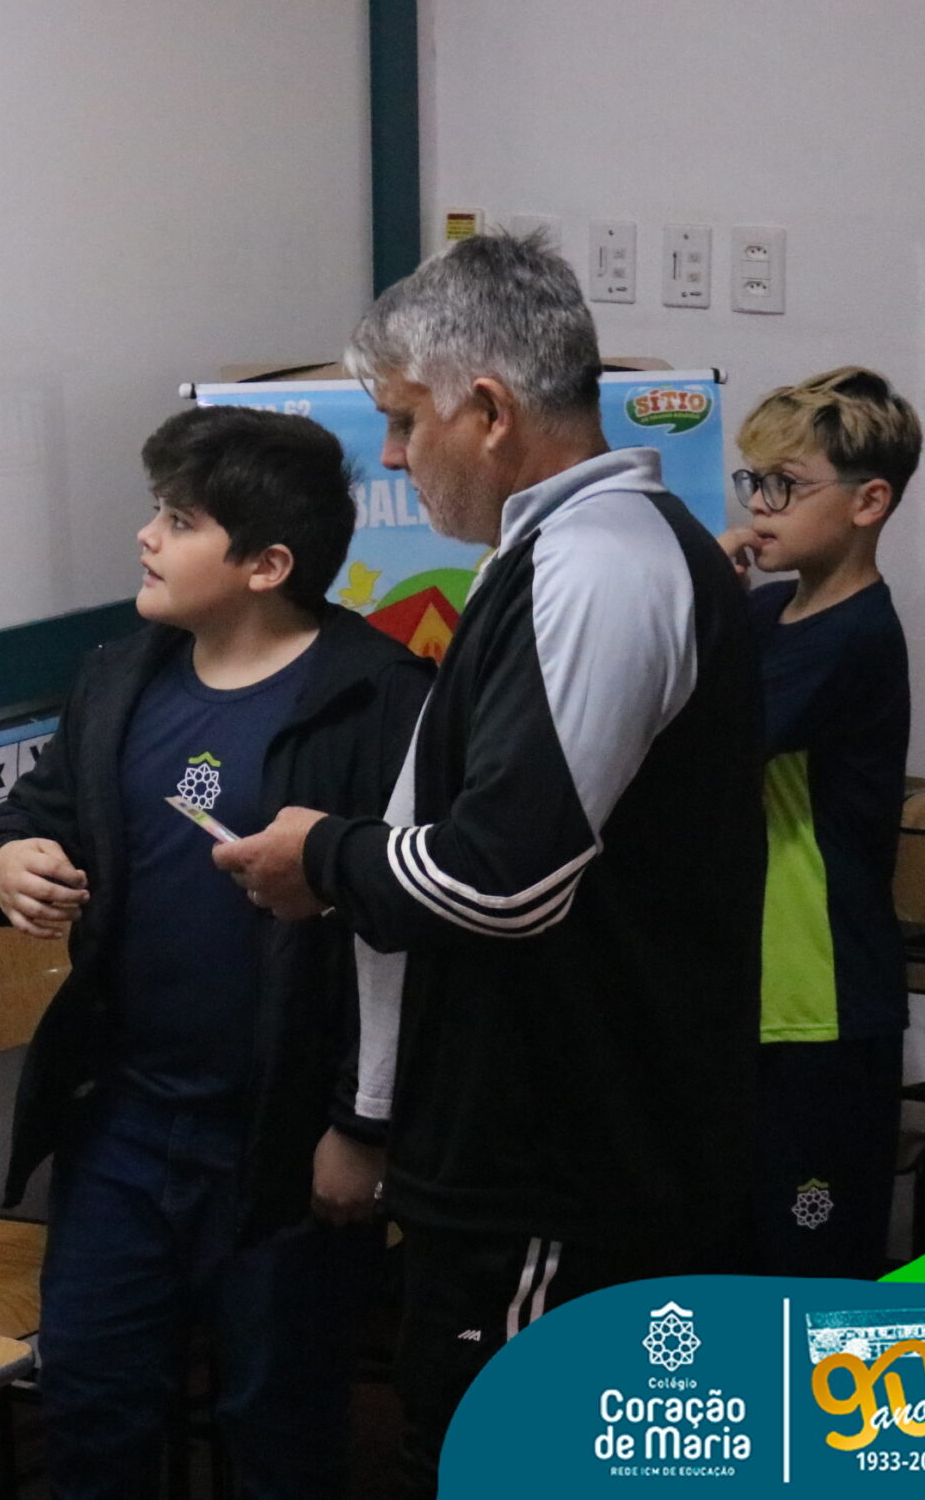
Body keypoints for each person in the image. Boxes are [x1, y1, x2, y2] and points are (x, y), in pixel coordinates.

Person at [215, 233, 763, 1499]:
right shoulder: (556, 553)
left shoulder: (600, 564)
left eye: (404, 421)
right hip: (526, 1141)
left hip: (563, 1159)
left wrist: (323, 855)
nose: (391, 457)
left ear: (489, 410)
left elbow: (503, 879)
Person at [0, 405, 431, 1500]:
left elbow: (409, 937)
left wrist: (360, 1126)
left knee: (276, 1426)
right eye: (156, 512)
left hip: (284, 1138)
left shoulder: (380, 699)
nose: (146, 536)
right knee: (92, 1407)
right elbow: (26, 819)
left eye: (179, 521)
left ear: (267, 565)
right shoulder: (119, 678)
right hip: (123, 1122)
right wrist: (6, 861)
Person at [719, 367, 922, 1277]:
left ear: (869, 501)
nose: (759, 506)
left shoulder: (857, 634)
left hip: (822, 1000)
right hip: (753, 987)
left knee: (811, 1269)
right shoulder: (767, 611)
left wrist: (696, 597)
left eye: (786, 486)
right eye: (753, 481)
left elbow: (705, 735)